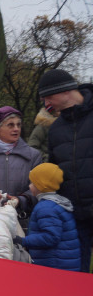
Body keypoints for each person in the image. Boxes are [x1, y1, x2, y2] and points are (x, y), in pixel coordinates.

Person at [39, 68, 93, 271]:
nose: (46, 104)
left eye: (48, 97)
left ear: (65, 91)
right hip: (75, 214)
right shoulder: (55, 129)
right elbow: (54, 171)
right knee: (78, 274)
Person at [14, 163, 82, 271]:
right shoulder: (58, 203)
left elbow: (50, 237)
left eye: (32, 183)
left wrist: (23, 241)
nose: (29, 186)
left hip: (54, 265)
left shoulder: (46, 208)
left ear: (40, 185)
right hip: (62, 262)